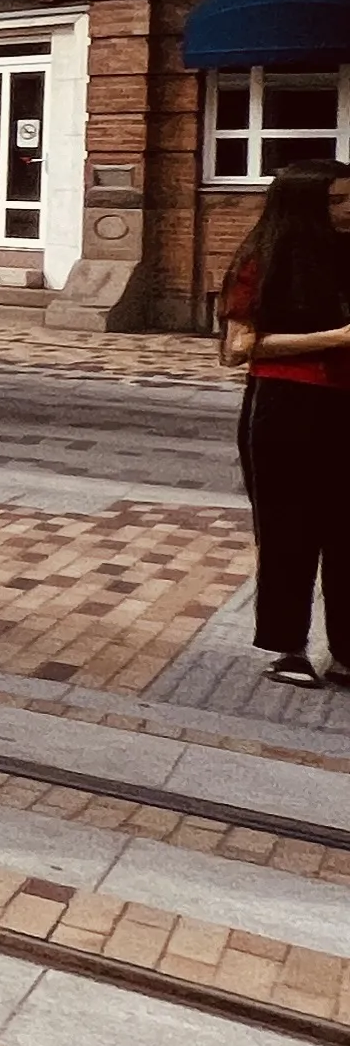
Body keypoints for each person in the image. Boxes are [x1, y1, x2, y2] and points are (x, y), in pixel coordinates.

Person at [221, 158, 350, 684]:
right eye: (336, 201)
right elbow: (239, 348)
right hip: (286, 406)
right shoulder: (264, 258)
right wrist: (338, 338)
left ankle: (346, 654)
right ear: (304, 207)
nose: (348, 210)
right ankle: (288, 647)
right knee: (288, 529)